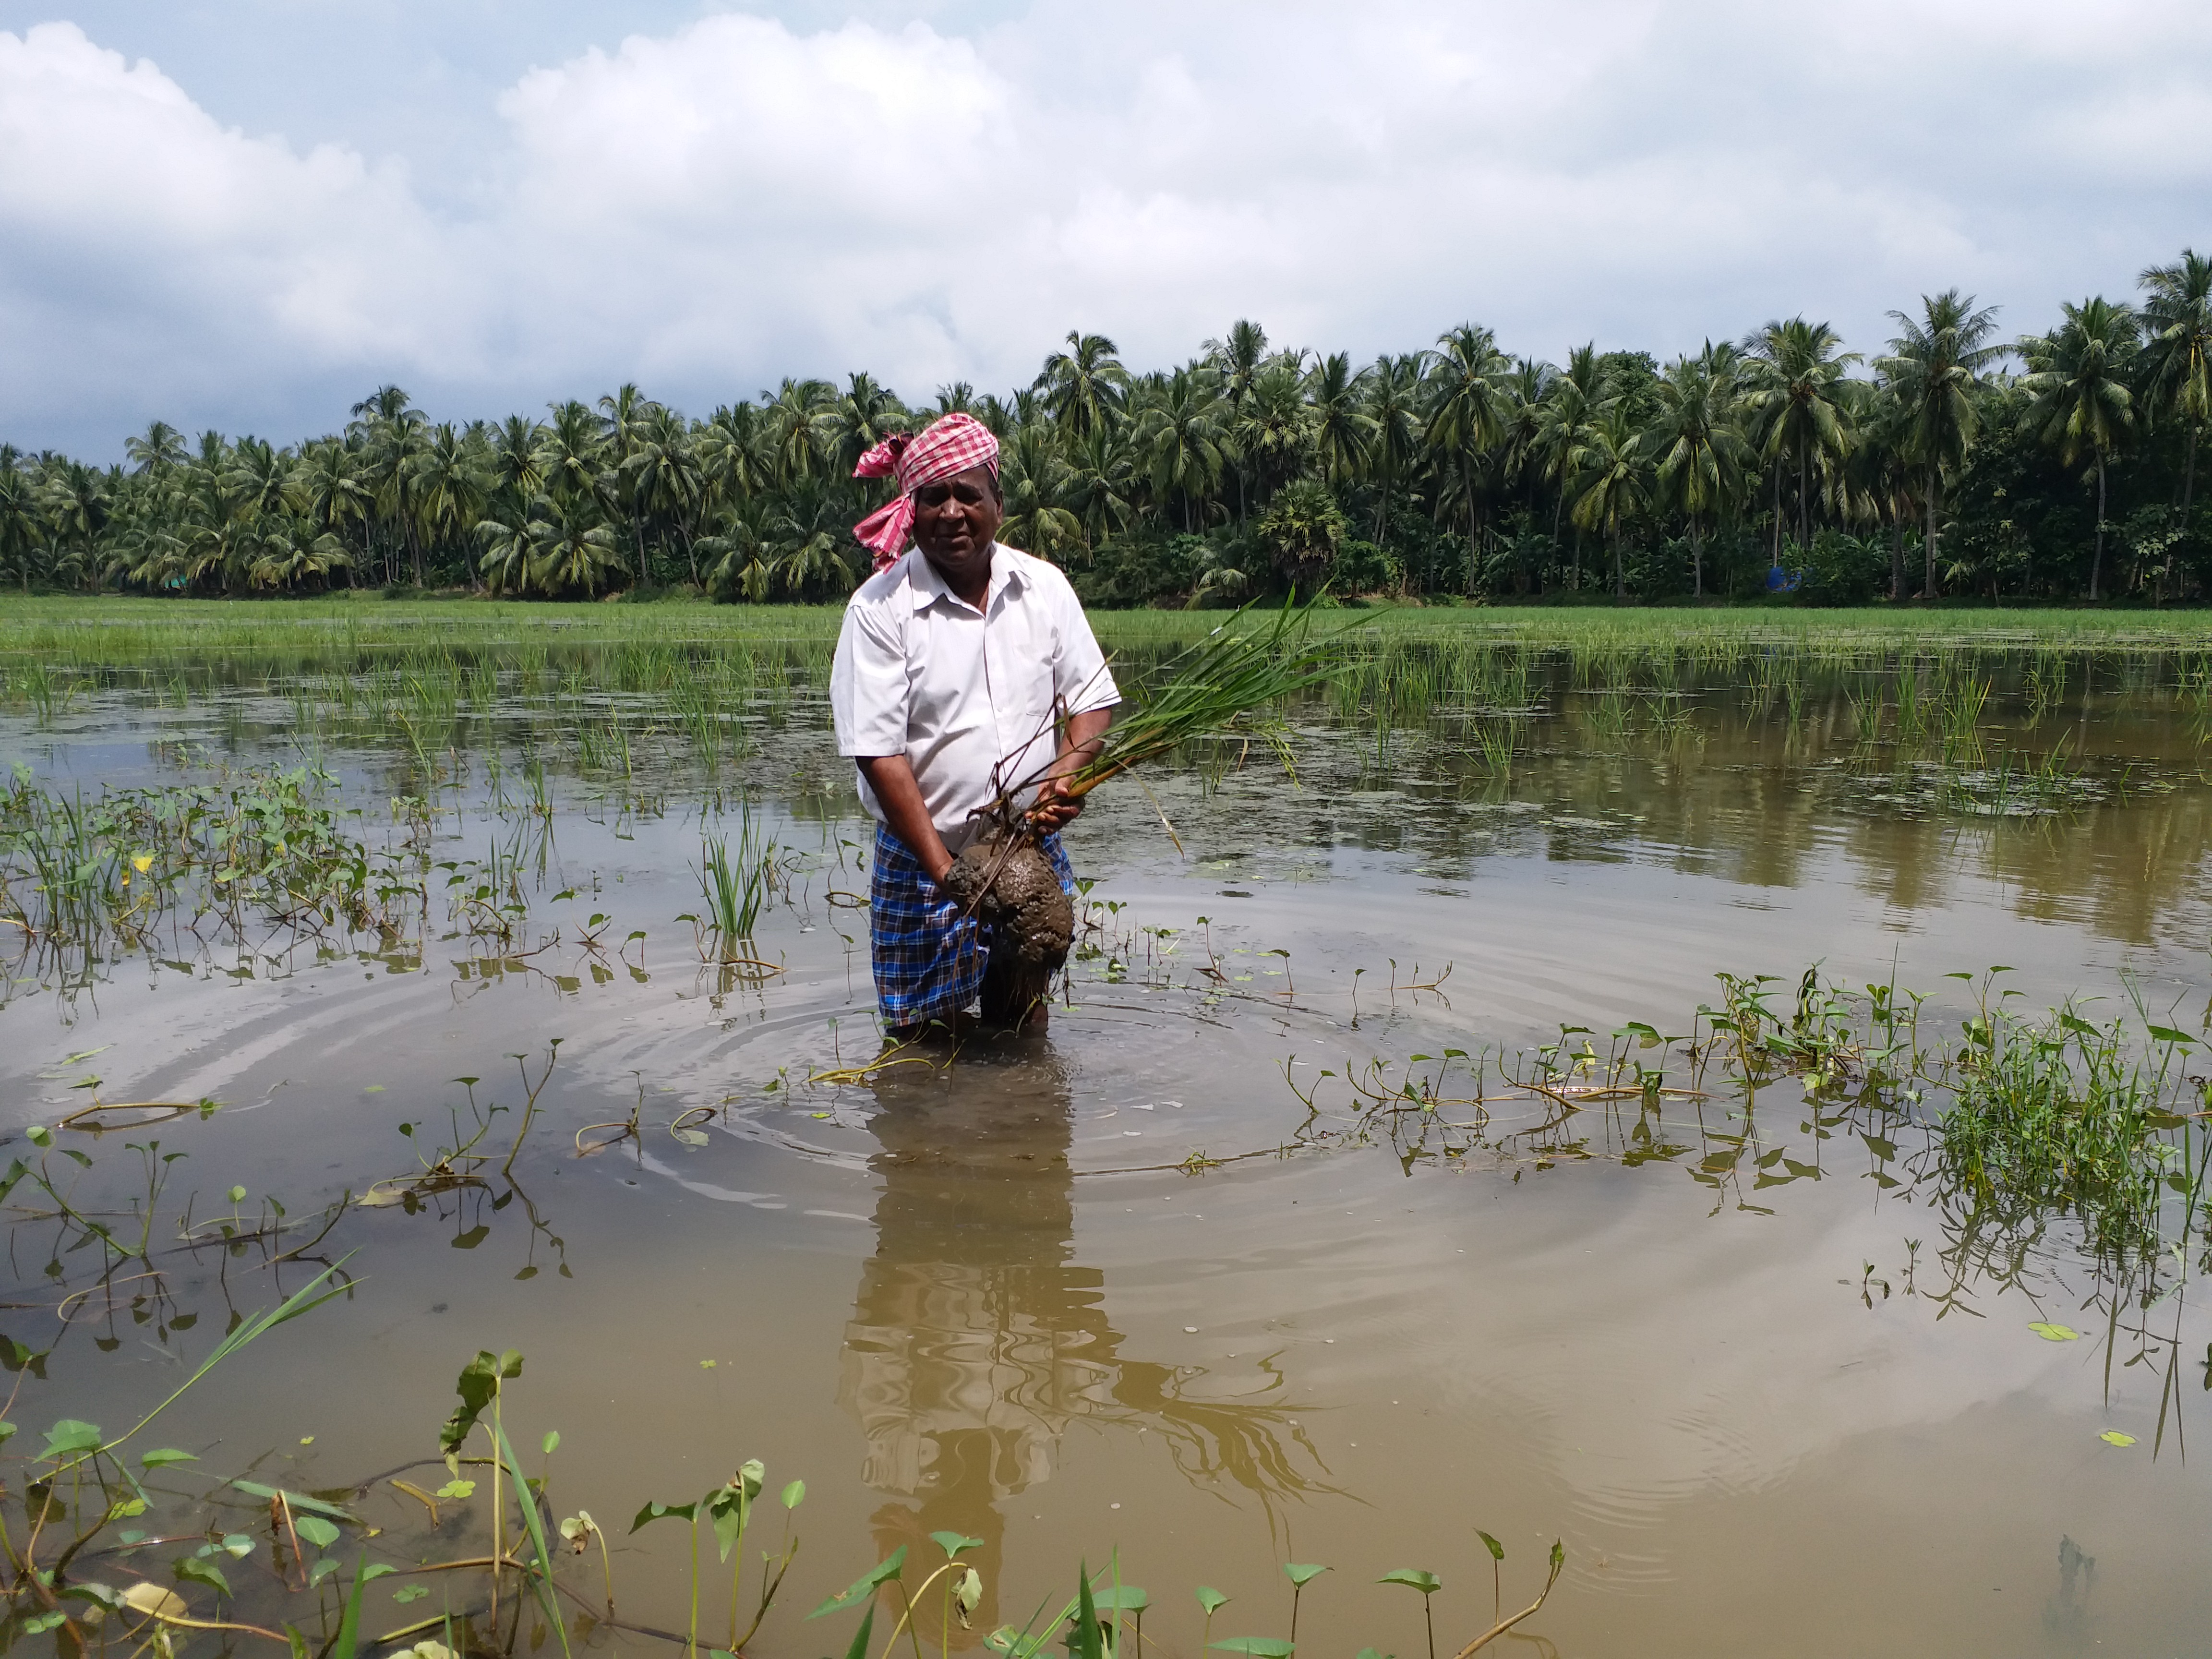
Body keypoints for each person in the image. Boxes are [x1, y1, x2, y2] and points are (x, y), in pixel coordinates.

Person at [830, 412, 1119, 1036]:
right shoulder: (880, 608)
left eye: (968, 494)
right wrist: (947, 875)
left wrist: (1063, 780)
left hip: (1026, 849)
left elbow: (1092, 701)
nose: (953, 511)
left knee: (1023, 1023)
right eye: (934, 497)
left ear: (998, 502)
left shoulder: (1044, 588)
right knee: (919, 1041)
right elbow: (879, 754)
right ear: (913, 509)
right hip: (922, 856)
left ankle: (1019, 1123)